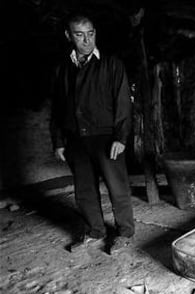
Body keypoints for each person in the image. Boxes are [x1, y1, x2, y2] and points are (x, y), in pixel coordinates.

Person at [50, 12, 134, 254]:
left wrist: (120, 136)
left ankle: (125, 233)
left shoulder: (111, 64)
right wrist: (58, 141)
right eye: (79, 35)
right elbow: (57, 107)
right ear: (68, 36)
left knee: (117, 188)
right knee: (84, 191)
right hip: (76, 139)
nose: (87, 41)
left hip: (106, 137)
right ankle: (95, 231)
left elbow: (123, 103)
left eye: (91, 34)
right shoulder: (63, 68)